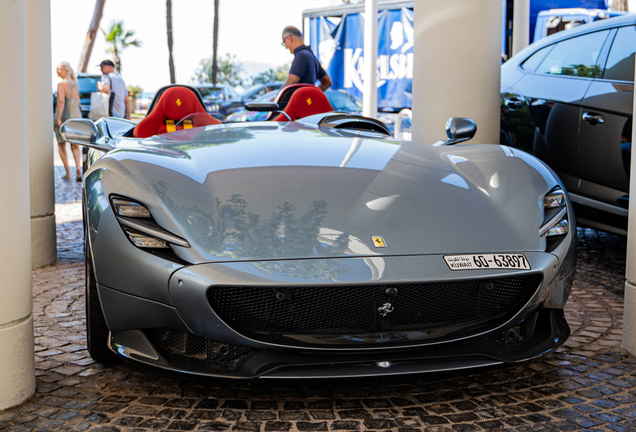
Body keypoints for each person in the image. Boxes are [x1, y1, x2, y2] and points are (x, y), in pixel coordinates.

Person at [54, 62, 82, 181]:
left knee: (61, 144)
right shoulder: (75, 83)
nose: (57, 72)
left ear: (65, 70)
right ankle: (78, 169)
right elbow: (78, 102)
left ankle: (68, 173)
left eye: (59, 69)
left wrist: (58, 118)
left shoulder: (61, 84)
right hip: (76, 116)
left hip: (65, 116)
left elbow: (61, 102)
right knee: (75, 145)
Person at [281, 26, 332, 92]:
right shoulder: (311, 56)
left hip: (299, 102)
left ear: (289, 38)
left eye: (284, 42)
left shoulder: (302, 56)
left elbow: (290, 83)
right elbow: (327, 82)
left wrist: (276, 99)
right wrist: (312, 95)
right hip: (307, 101)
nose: (286, 47)